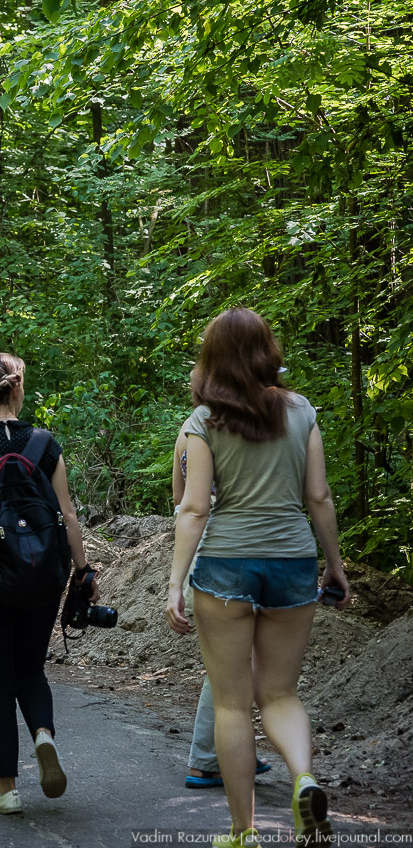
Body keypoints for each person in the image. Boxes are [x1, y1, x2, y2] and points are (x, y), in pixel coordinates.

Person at [166, 307, 350, 848]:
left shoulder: (204, 420)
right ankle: (304, 779)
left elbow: (194, 508)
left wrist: (176, 582)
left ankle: (243, 831)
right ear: (269, 351)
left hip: (225, 565)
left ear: (212, 358)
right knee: (280, 693)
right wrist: (334, 565)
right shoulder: (301, 411)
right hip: (292, 561)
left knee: (231, 703)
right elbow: (318, 496)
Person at [0, 352, 92, 816]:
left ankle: (7, 789)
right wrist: (83, 572)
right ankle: (43, 735)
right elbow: (68, 514)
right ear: (17, 389)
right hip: (43, 573)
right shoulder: (44, 443)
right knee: (31, 669)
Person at [173, 426, 272, 789]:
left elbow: (179, 501)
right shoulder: (235, 426)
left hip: (200, 547)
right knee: (232, 658)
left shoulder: (187, 431)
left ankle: (229, 748)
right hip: (233, 543)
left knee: (230, 656)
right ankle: (208, 759)